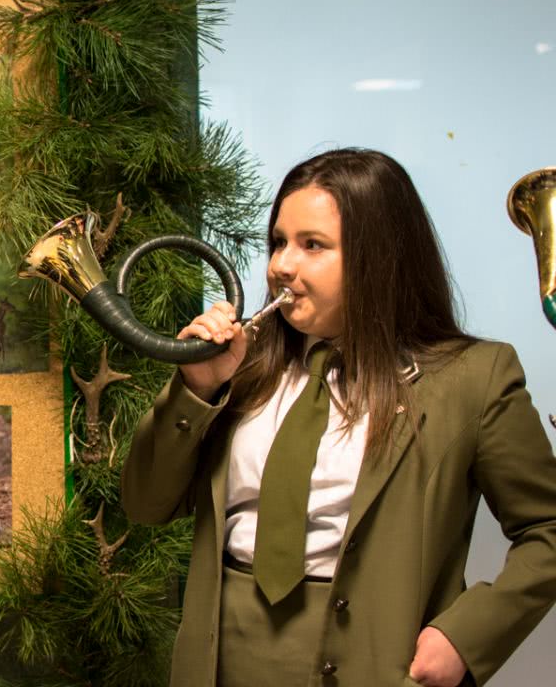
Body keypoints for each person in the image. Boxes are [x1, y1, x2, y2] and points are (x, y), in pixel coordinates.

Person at [122, 148, 556, 687]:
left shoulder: (475, 377)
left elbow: (548, 529)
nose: (281, 265)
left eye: (312, 245)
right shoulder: (239, 366)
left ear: (381, 258)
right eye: (278, 242)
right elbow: (145, 503)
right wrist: (196, 388)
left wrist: (467, 638)